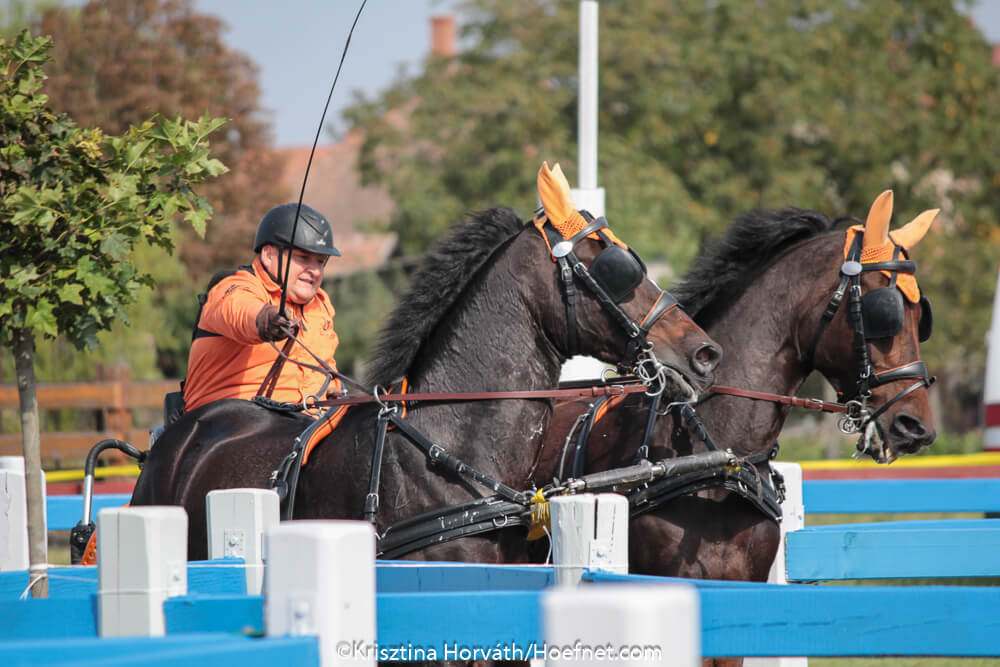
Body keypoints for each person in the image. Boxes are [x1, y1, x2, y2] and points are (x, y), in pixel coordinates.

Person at [182, 203, 342, 413]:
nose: (314, 271)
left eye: (321, 262)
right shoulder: (233, 286)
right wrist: (265, 318)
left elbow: (327, 366)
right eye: (303, 258)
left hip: (305, 423)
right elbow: (237, 309)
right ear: (268, 255)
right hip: (228, 423)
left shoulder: (320, 305)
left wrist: (334, 386)